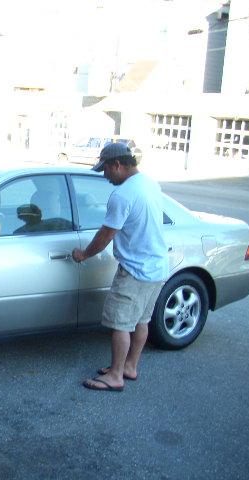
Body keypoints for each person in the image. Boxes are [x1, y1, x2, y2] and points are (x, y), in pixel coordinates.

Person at [72, 142, 168, 392]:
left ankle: (115, 375)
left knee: (121, 324)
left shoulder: (123, 194)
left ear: (117, 165)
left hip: (135, 270)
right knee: (141, 320)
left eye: (105, 170)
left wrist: (83, 254)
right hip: (156, 266)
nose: (104, 176)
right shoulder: (149, 183)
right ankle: (129, 366)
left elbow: (106, 235)